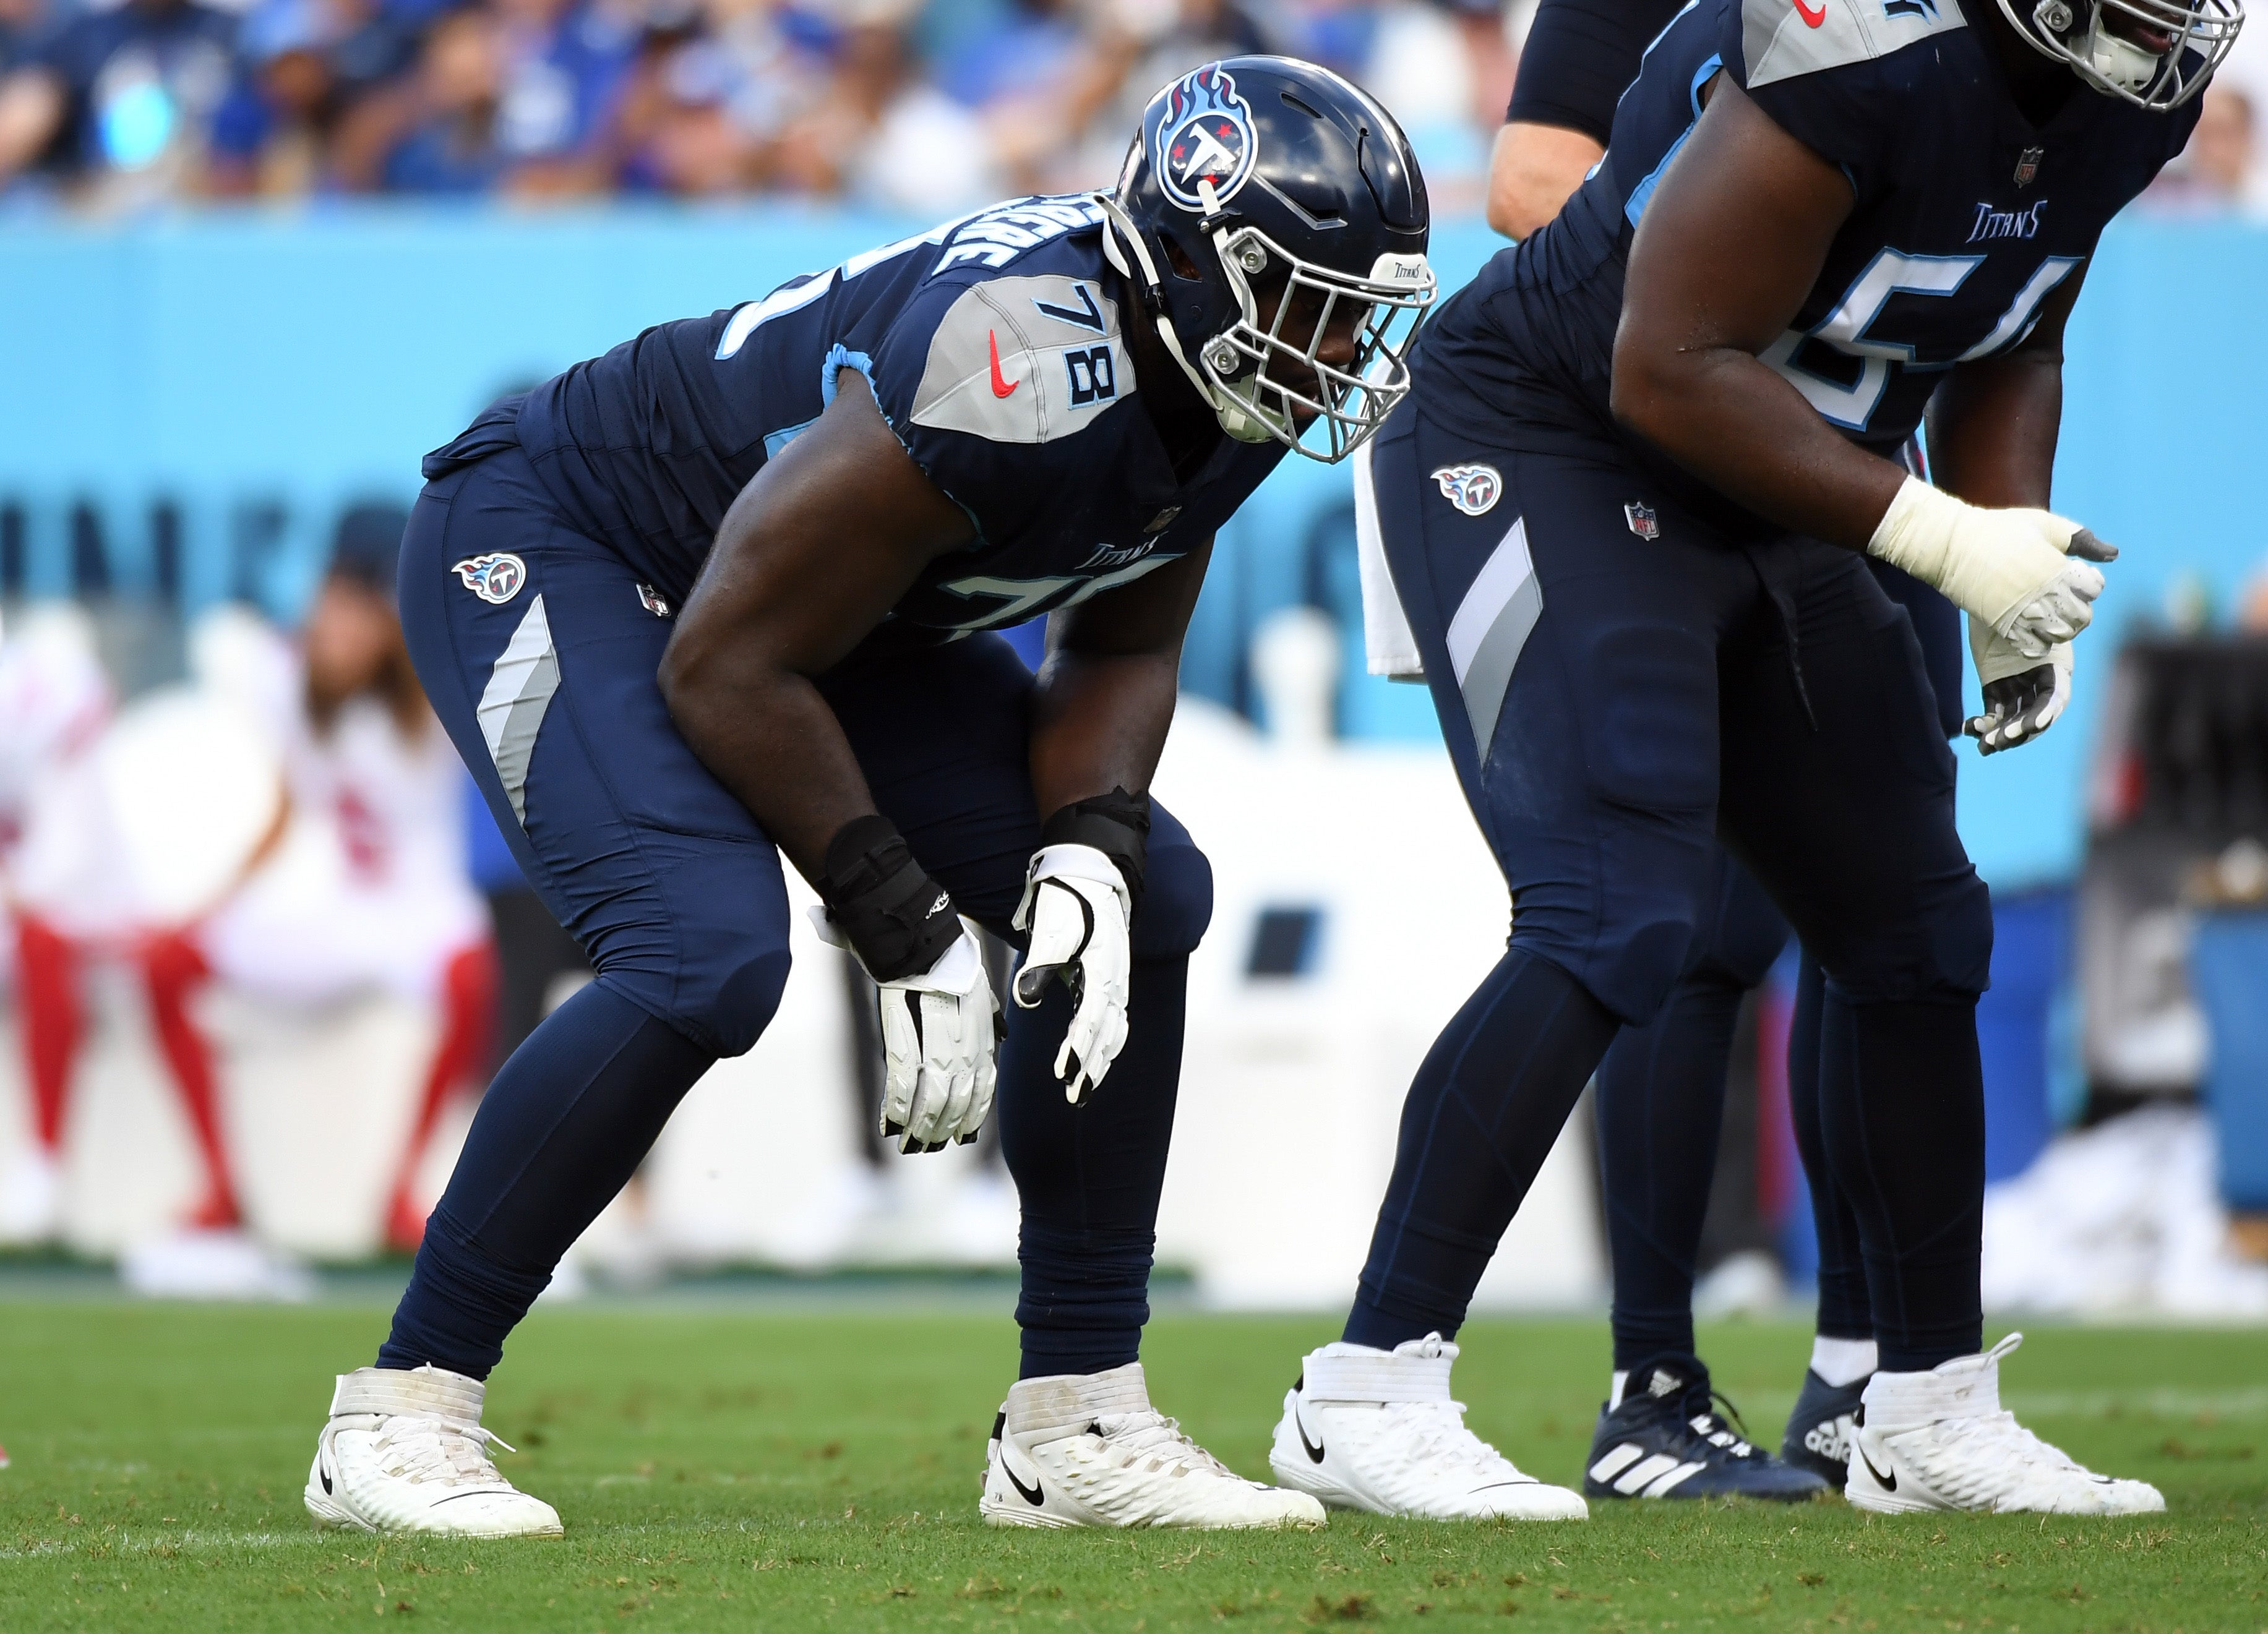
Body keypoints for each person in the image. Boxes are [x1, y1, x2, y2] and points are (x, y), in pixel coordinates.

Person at [301, 54, 1435, 1538]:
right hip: (580, 540)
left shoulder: (1210, 378)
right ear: (1196, 258)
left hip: (823, 612)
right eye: (1309, 296)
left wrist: (1085, 848)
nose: (1341, 340)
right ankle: (403, 1404)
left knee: (1144, 894)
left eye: (1357, 304)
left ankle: (1078, 1416)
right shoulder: (1019, 358)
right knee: (702, 950)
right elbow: (722, 660)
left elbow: (1125, 631)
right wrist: (900, 918)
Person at [1271, 0, 2233, 1520]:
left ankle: (1918, 1407)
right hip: (1563, 435)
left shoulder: (2129, 99)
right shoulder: (1860, 47)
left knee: (1918, 932)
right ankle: (1369, 1386)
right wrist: (1937, 536)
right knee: (1619, 909)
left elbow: (2009, 322)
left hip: (1775, 480)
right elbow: (1667, 364)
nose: (2175, 17)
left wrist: (2010, 556)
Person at [1479, 0, 2019, 1505]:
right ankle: (1651, 1377)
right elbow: (1528, 183)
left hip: (1858, 478)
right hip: (1666, 468)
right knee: (1693, 926)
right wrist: (1765, 241)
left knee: (1894, 913)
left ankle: (1869, 1373)